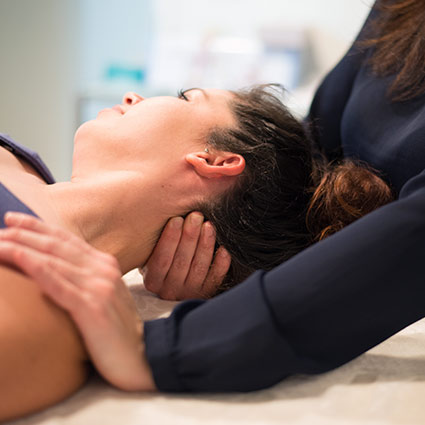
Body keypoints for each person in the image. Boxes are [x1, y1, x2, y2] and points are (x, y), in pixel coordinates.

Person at [1, 0, 421, 415]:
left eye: (185, 97)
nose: (132, 95)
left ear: (216, 161)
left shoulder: (42, 300)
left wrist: (182, 338)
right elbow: (307, 162)